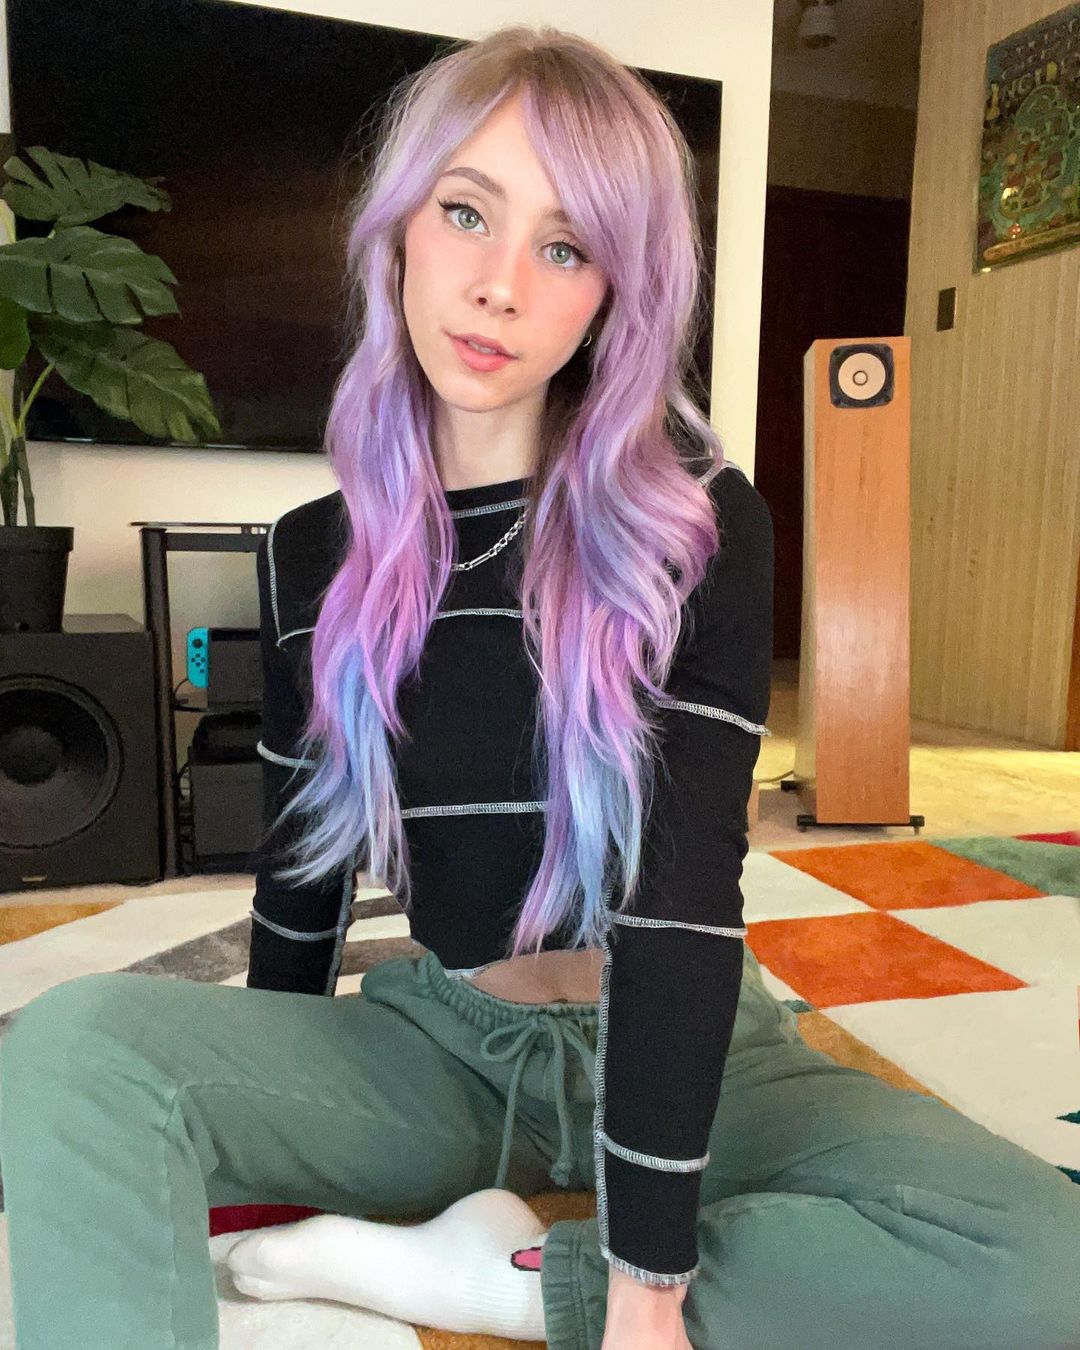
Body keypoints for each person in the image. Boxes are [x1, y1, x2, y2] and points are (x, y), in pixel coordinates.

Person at [2, 23, 1079, 1350]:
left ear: (612, 293)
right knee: (69, 1050)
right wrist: (264, 1121)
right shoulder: (310, 555)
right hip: (446, 1050)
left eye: (565, 247)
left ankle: (503, 1277)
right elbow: (301, 873)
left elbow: (682, 906)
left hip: (699, 1052)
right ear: (400, 230)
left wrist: (640, 1288)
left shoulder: (702, 524)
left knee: (1047, 1258)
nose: (500, 286)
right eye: (466, 213)